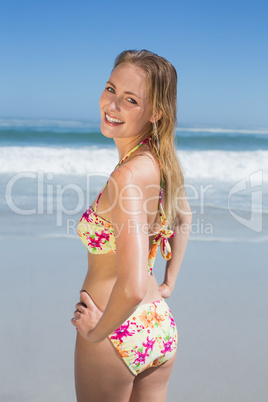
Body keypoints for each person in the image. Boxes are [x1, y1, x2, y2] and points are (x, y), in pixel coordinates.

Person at [71, 49, 192, 402]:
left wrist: (96, 334)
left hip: (114, 329)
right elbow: (184, 216)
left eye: (131, 99)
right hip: (158, 325)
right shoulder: (161, 161)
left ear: (155, 112)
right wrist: (169, 282)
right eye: (111, 89)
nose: (113, 105)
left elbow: (134, 286)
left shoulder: (126, 176)